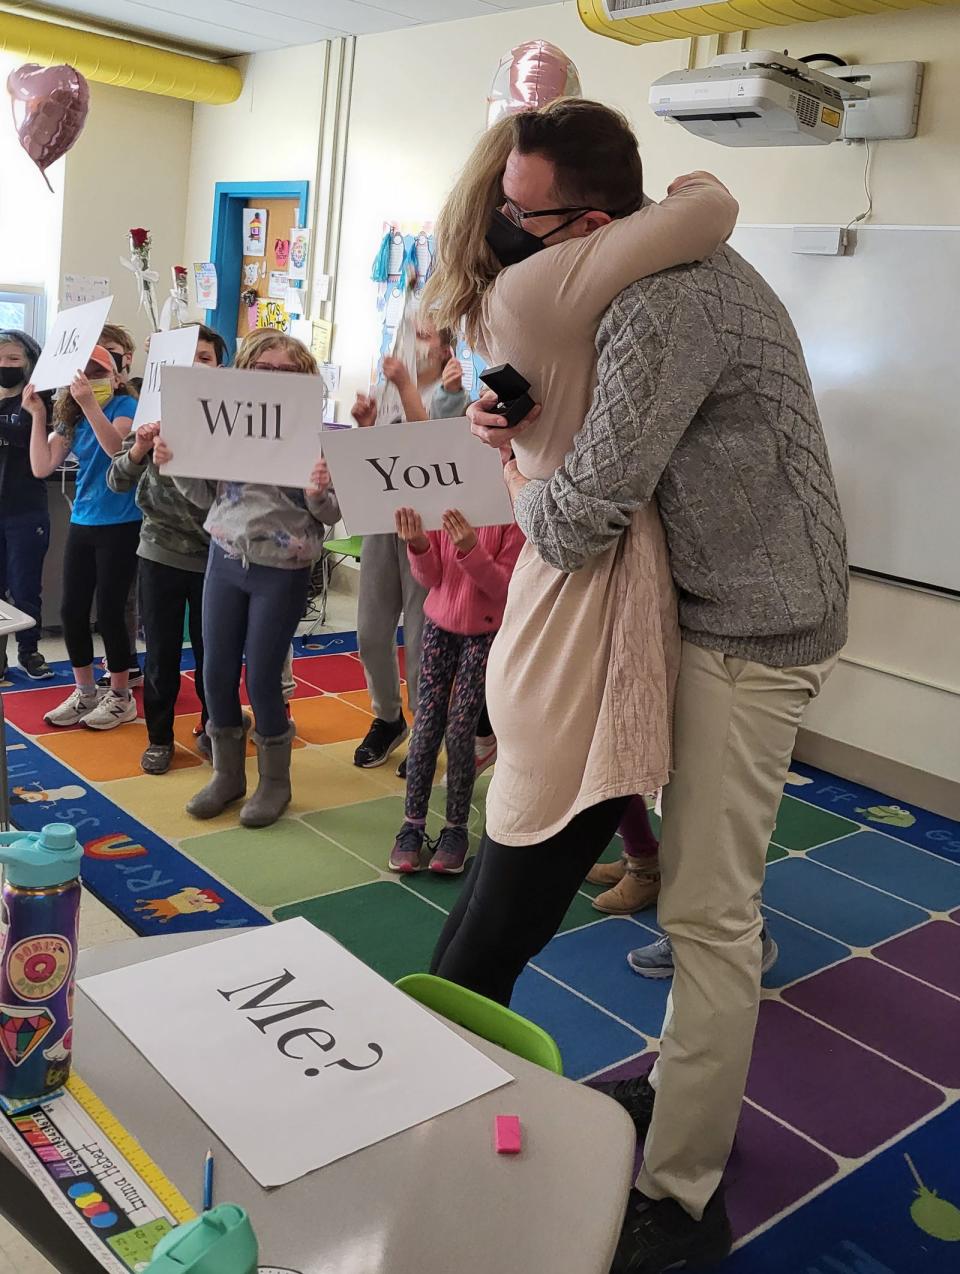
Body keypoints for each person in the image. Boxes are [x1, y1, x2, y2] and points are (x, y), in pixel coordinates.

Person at [463, 137, 847, 1274]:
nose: (506, 234)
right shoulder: (640, 273)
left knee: (711, 917)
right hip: (695, 608)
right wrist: (516, 426)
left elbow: (578, 519)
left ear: (588, 225)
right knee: (689, 900)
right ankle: (675, 1096)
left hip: (749, 628)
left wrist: (524, 464)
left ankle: (682, 1193)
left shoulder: (663, 301)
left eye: (523, 219)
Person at [154, 330, 339, 829]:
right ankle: (228, 774)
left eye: (288, 373)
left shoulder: (317, 437)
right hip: (225, 553)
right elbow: (204, 495)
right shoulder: (230, 424)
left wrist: (317, 492)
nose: (275, 380)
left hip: (282, 567)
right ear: (245, 373)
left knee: (261, 677)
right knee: (214, 670)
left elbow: (333, 510)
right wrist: (172, 465)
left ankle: (276, 782)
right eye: (264, 370)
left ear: (305, 382)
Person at [106, 325, 228, 775]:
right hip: (159, 552)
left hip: (216, 556)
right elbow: (115, 480)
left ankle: (216, 729)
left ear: (220, 368)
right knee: (161, 655)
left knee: (215, 653)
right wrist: (139, 448)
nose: (197, 365)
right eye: (188, 356)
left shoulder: (231, 422)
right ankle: (159, 738)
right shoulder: (149, 414)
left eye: (207, 358)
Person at [351, 320, 470, 773]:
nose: (411, 343)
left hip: (429, 535)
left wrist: (403, 384)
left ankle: (426, 726)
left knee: (422, 639)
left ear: (444, 351)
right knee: (370, 631)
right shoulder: (386, 397)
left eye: (423, 336)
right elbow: (375, 462)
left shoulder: (450, 395)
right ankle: (387, 717)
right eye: (409, 334)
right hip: (384, 524)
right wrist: (364, 428)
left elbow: (430, 450)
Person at [389, 504, 523, 875]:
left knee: (461, 728)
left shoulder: (510, 508)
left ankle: (455, 829)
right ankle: (412, 825)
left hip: (485, 632)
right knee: (427, 723)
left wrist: (469, 549)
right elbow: (430, 577)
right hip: (439, 625)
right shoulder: (445, 498)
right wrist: (417, 544)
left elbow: (503, 586)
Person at [27, 346, 140, 730]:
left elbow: (116, 450)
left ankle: (121, 697)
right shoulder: (70, 415)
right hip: (84, 520)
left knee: (109, 613)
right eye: (84, 371)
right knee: (72, 611)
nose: (89, 378)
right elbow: (42, 465)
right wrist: (39, 414)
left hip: (122, 522)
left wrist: (90, 403)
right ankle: (85, 691)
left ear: (116, 375)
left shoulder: (125, 404)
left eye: (98, 370)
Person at [0, 330, 53, 679]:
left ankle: (29, 652)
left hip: (26, 509)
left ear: (30, 363)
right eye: (0, 359)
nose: (5, 365)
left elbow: (28, 440)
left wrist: (31, 415)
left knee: (24, 586)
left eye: (13, 359)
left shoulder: (40, 401)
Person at [98, 323, 143, 688]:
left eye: (110, 350)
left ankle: (127, 665)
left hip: (129, 511)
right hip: (95, 509)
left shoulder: (130, 401)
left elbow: (119, 450)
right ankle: (121, 660)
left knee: (126, 595)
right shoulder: (91, 400)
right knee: (114, 597)